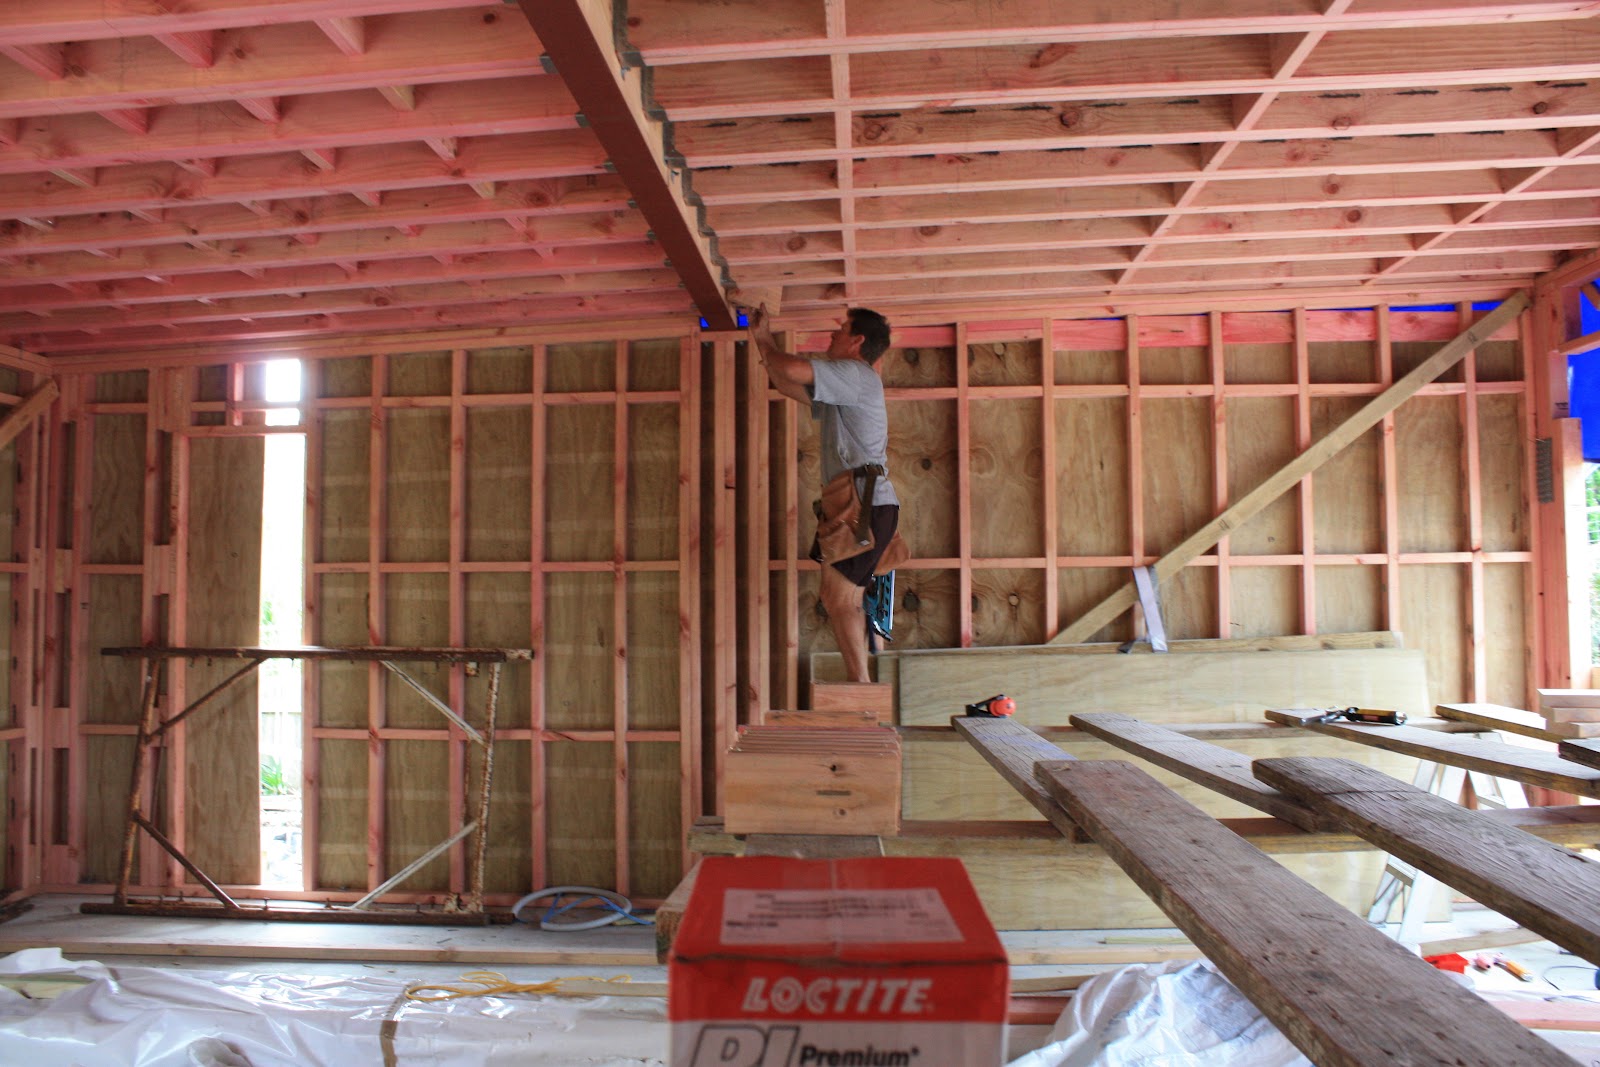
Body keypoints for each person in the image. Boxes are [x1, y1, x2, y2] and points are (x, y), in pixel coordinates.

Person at [750, 305, 899, 683]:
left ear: (857, 341)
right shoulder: (846, 387)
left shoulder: (856, 374)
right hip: (856, 506)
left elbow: (792, 369)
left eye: (839, 331)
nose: (831, 337)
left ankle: (862, 685)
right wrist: (761, 341)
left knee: (839, 599)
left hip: (861, 506)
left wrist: (765, 338)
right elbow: (784, 383)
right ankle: (861, 683)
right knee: (839, 598)